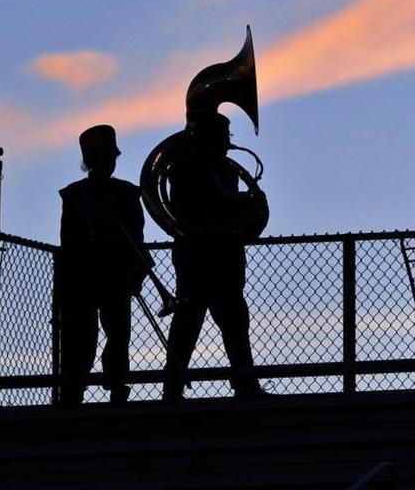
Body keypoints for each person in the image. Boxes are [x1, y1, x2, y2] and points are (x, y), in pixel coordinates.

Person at [163, 113, 265, 402]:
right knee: (189, 321)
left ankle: (245, 384)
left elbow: (226, 213)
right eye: (223, 136)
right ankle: (173, 388)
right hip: (197, 255)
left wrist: (246, 209)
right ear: (206, 138)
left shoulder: (226, 170)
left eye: (227, 136)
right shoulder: (182, 169)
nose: (227, 143)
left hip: (224, 254)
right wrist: (238, 208)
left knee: (235, 322)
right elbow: (190, 211)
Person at [56, 125, 145, 406]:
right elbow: (70, 241)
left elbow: (136, 238)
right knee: (92, 335)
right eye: (104, 157)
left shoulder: (79, 194)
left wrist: (136, 270)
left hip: (103, 275)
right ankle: (91, 388)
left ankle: (89, 389)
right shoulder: (84, 195)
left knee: (111, 334)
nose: (108, 162)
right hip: (92, 275)